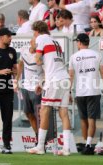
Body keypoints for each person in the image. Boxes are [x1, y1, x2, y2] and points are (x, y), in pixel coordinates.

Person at [27, 21, 72, 156]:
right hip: (64, 79)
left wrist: (36, 55)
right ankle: (66, 149)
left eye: (33, 33)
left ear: (36, 31)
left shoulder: (41, 38)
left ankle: (40, 146)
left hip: (54, 80)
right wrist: (43, 82)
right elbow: (53, 64)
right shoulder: (55, 41)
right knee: (63, 112)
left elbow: (37, 59)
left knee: (44, 110)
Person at [69, 33, 103, 155]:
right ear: (88, 42)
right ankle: (88, 144)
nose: (76, 44)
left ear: (80, 43)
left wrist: (68, 91)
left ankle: (87, 143)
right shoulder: (97, 55)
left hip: (80, 92)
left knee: (82, 118)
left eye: (77, 42)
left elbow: (70, 76)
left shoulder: (74, 57)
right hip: (93, 91)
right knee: (92, 119)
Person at [15, 37, 44, 142]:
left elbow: (46, 70)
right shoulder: (24, 50)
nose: (37, 46)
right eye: (35, 43)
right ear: (31, 43)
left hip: (37, 89)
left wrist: (41, 83)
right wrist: (16, 80)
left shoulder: (41, 55)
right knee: (28, 113)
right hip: (26, 87)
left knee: (39, 116)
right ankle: (37, 135)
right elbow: (20, 65)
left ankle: (41, 140)